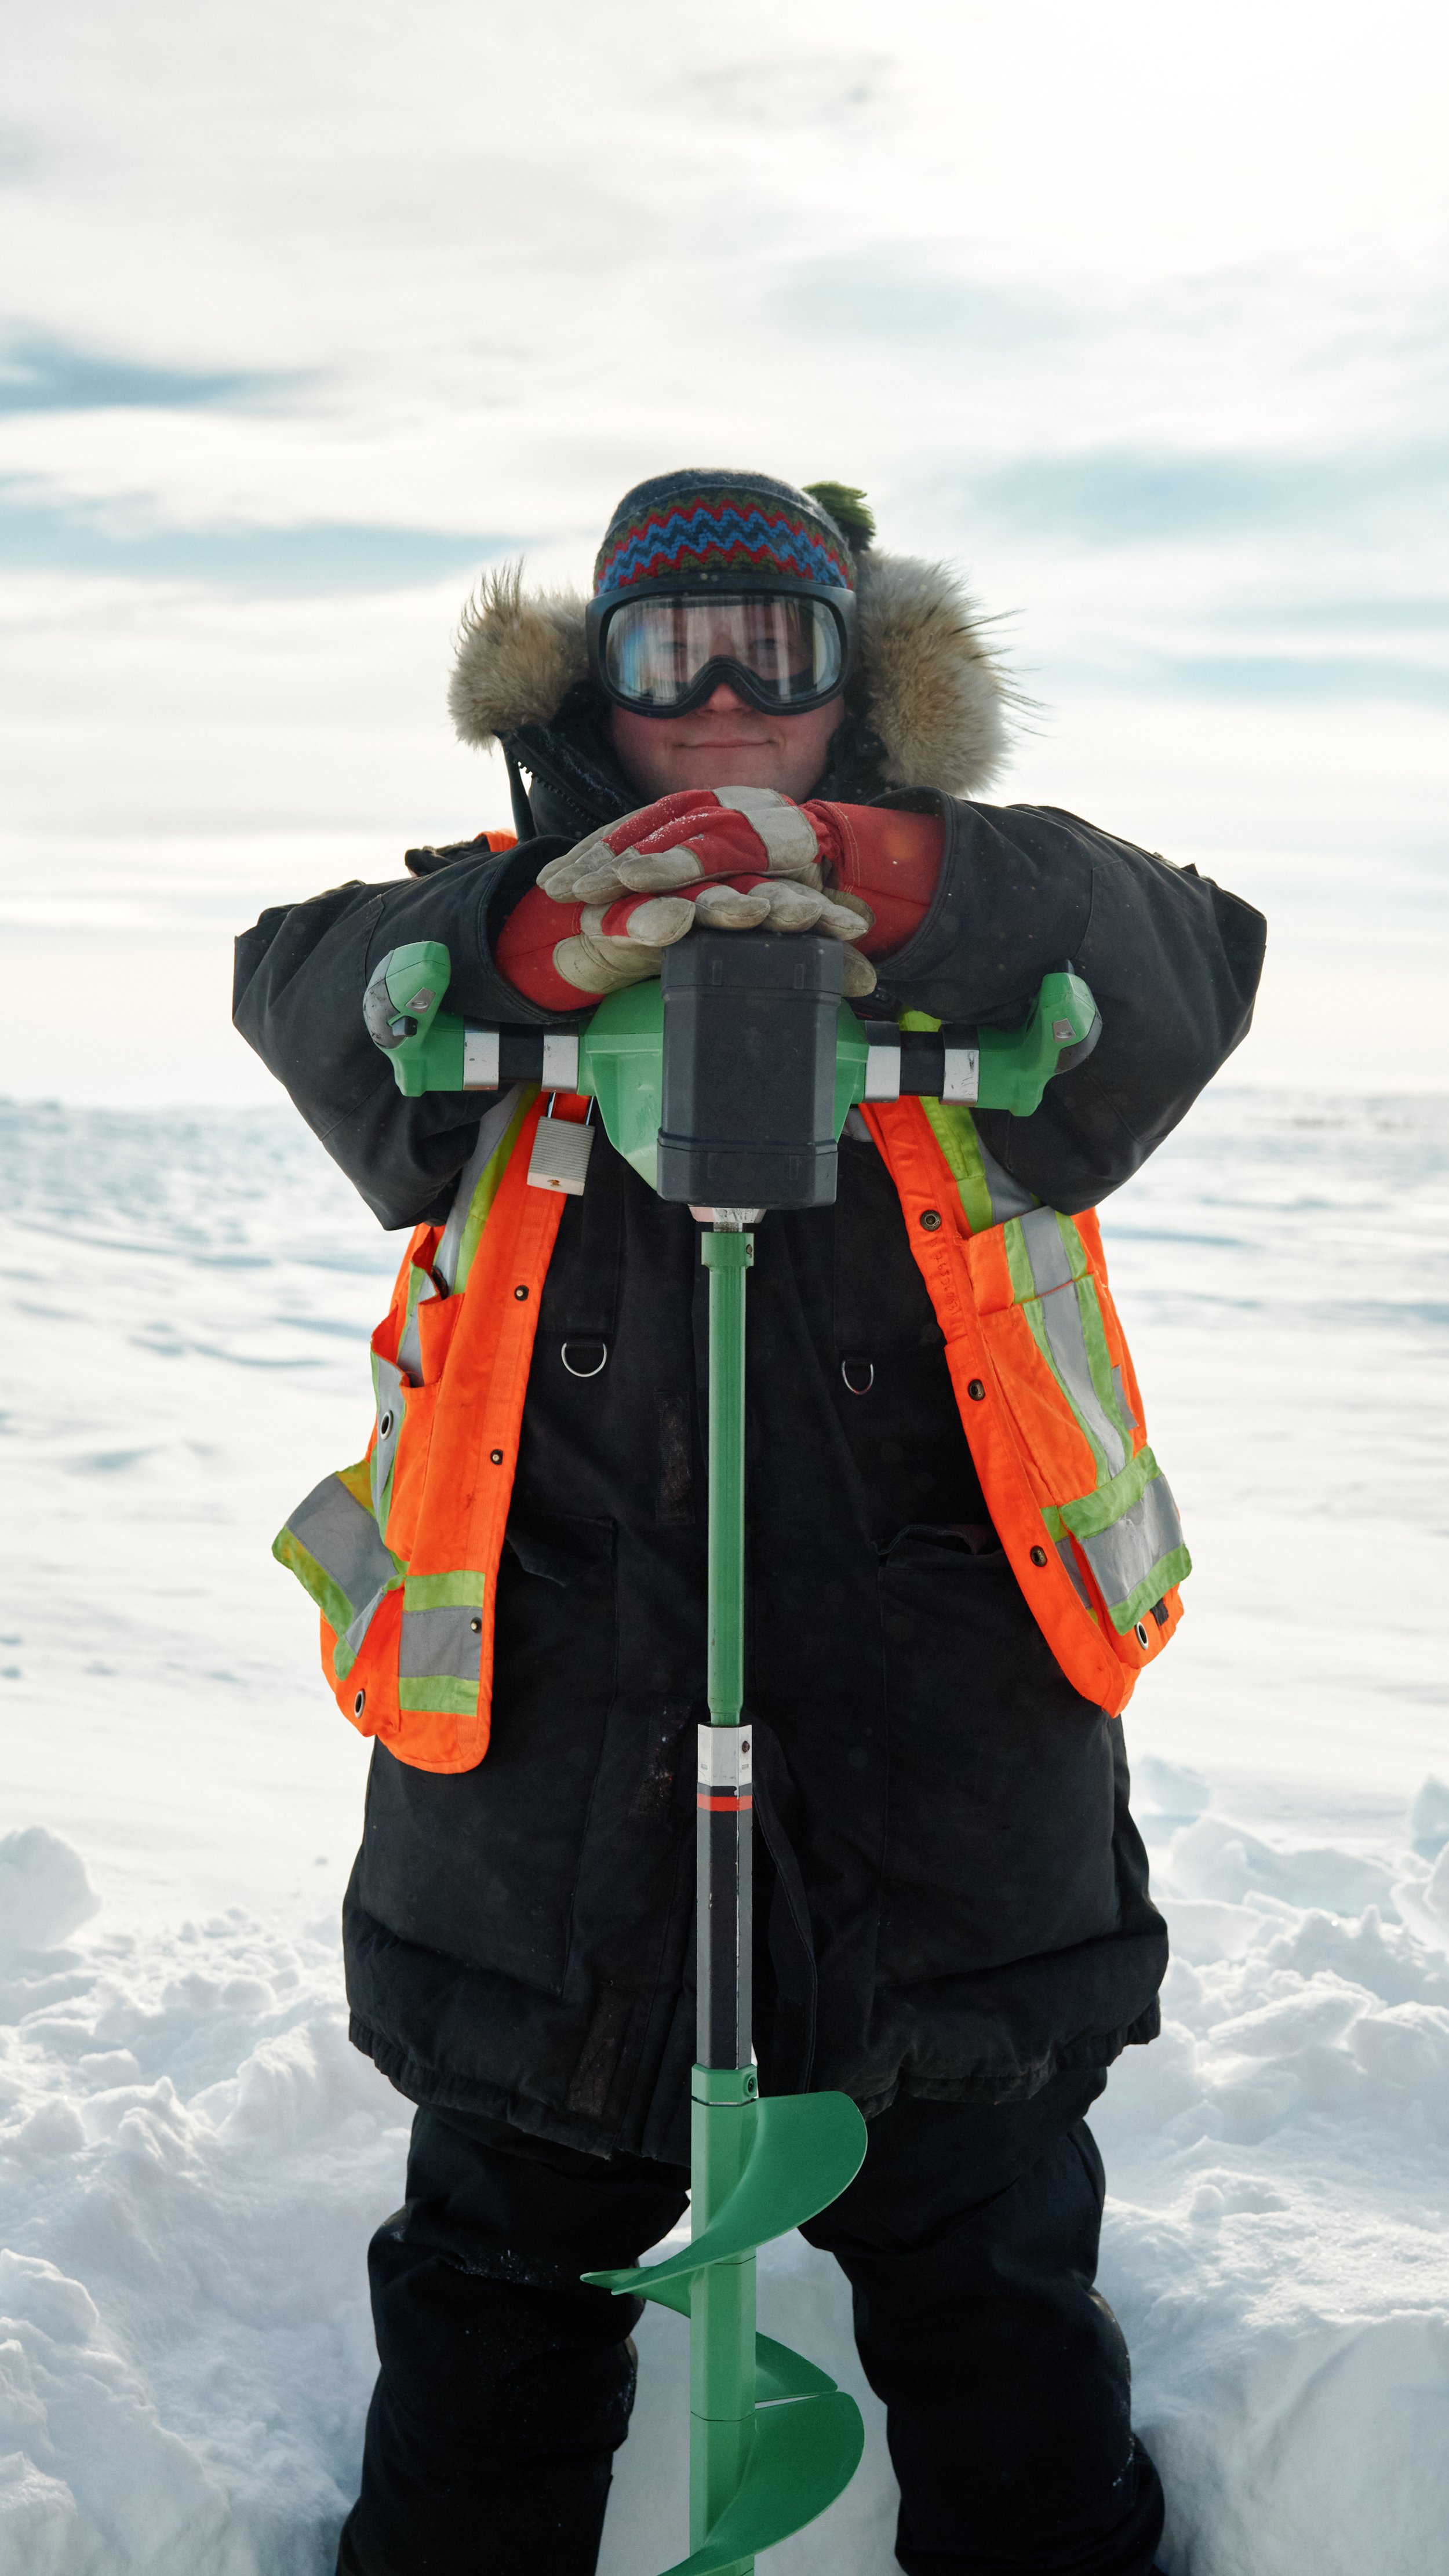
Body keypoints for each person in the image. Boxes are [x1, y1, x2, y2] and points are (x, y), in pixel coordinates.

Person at [234, 470, 1265, 2576]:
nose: (717, 707)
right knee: (497, 2289)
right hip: (547, 1786)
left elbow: (1188, 955)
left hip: (949, 1753)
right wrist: (518, 934)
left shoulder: (1007, 918)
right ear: (586, 694)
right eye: (664, 652)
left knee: (988, 2289)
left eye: (771, 654)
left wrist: (897, 882)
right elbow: (301, 985)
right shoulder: (473, 940)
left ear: (859, 687)